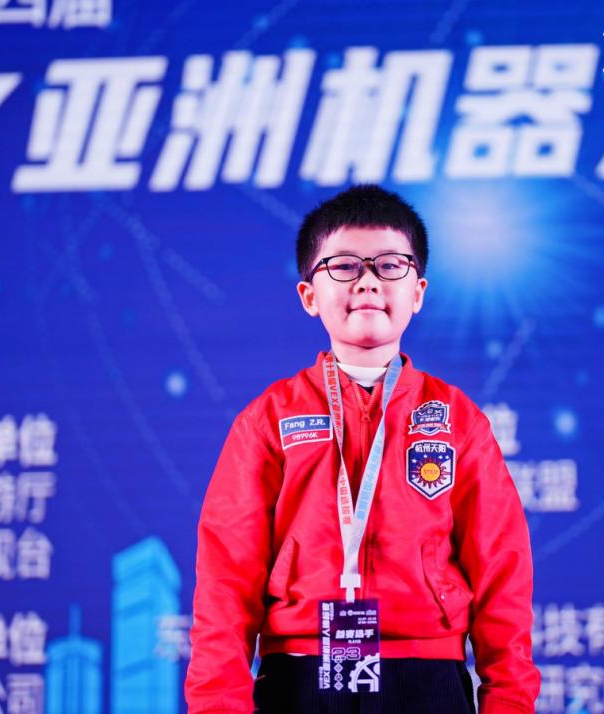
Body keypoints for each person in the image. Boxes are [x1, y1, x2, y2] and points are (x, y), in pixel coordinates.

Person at [185, 184, 538, 714]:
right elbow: (224, 579)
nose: (368, 281)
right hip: (300, 673)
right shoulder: (269, 419)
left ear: (417, 292)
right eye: (345, 266)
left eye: (390, 265)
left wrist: (509, 702)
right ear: (309, 295)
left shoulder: (457, 419)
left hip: (428, 677)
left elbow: (501, 571)